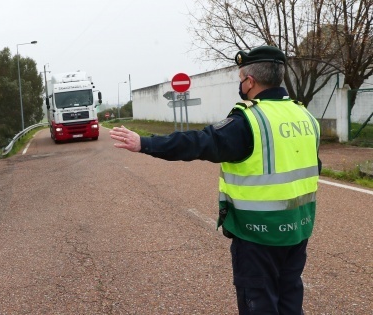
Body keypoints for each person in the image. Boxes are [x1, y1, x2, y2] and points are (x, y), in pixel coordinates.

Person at [110, 46, 321, 314]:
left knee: (260, 304)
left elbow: (198, 142)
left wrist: (144, 143)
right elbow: (313, 169)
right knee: (290, 300)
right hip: (298, 230)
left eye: (240, 79)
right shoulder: (306, 117)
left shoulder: (249, 121)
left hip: (258, 236)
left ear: (250, 81)